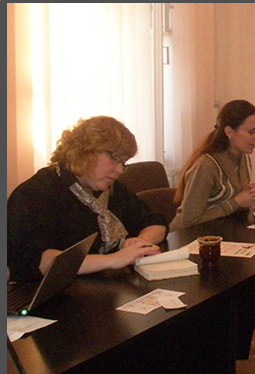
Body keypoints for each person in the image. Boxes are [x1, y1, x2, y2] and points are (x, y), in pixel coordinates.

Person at [7, 116, 166, 282]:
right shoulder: (35, 194)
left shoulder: (110, 188)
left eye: (124, 162)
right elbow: (36, 260)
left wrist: (139, 244)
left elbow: (155, 221)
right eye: (115, 158)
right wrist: (113, 259)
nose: (119, 170)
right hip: (52, 291)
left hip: (102, 286)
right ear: (86, 150)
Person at [171, 99, 255, 231]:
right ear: (229, 132)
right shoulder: (206, 165)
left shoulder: (243, 157)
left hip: (221, 231)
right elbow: (189, 221)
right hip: (189, 236)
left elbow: (234, 204)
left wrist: (252, 200)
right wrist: (237, 202)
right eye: (251, 132)